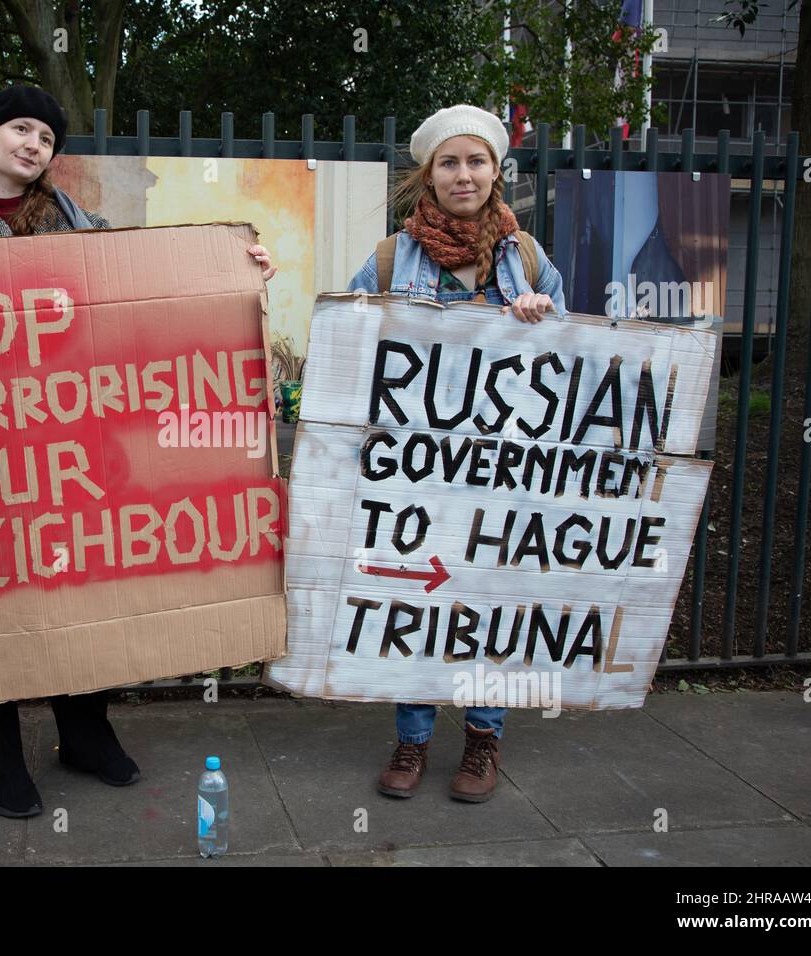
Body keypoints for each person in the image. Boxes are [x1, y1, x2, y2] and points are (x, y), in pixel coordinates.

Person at [0, 84, 276, 818]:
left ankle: (85, 738)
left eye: (47, 138)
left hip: (66, 450)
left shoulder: (84, 228)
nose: (33, 144)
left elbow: (148, 288)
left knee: (79, 584)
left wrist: (235, 266)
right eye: (20, 129)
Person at [345, 104, 566, 804]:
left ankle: (482, 736)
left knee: (490, 603)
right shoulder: (390, 258)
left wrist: (541, 319)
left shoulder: (528, 259)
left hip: (501, 471)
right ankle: (412, 738)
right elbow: (347, 335)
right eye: (449, 162)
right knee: (418, 596)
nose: (463, 174)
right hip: (416, 471)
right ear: (428, 176)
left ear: (496, 171)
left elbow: (578, 363)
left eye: (476, 161)